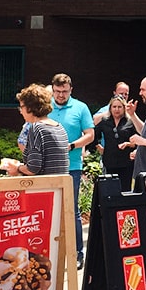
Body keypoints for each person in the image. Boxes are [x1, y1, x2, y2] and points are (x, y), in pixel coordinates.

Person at [49, 73, 94, 270]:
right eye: (57, 91)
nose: (60, 95)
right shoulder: (45, 105)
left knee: (71, 210)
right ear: (52, 89)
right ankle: (50, 252)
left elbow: (90, 135)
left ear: (71, 90)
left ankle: (77, 254)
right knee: (49, 210)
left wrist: (72, 145)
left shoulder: (80, 107)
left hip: (71, 167)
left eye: (64, 92)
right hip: (47, 167)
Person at [0, 84, 69, 176]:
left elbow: (32, 169)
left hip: (44, 187)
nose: (20, 111)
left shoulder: (37, 128)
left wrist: (17, 168)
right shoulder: (59, 127)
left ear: (29, 108)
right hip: (59, 186)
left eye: (21, 107)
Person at [94, 95, 135, 189]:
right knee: (110, 190)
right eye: (114, 107)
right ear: (110, 108)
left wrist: (128, 144)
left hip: (126, 162)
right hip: (109, 161)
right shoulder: (105, 121)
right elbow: (94, 135)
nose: (117, 109)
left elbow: (137, 140)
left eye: (119, 107)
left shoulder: (130, 122)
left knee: (125, 190)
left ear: (124, 108)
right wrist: (98, 146)